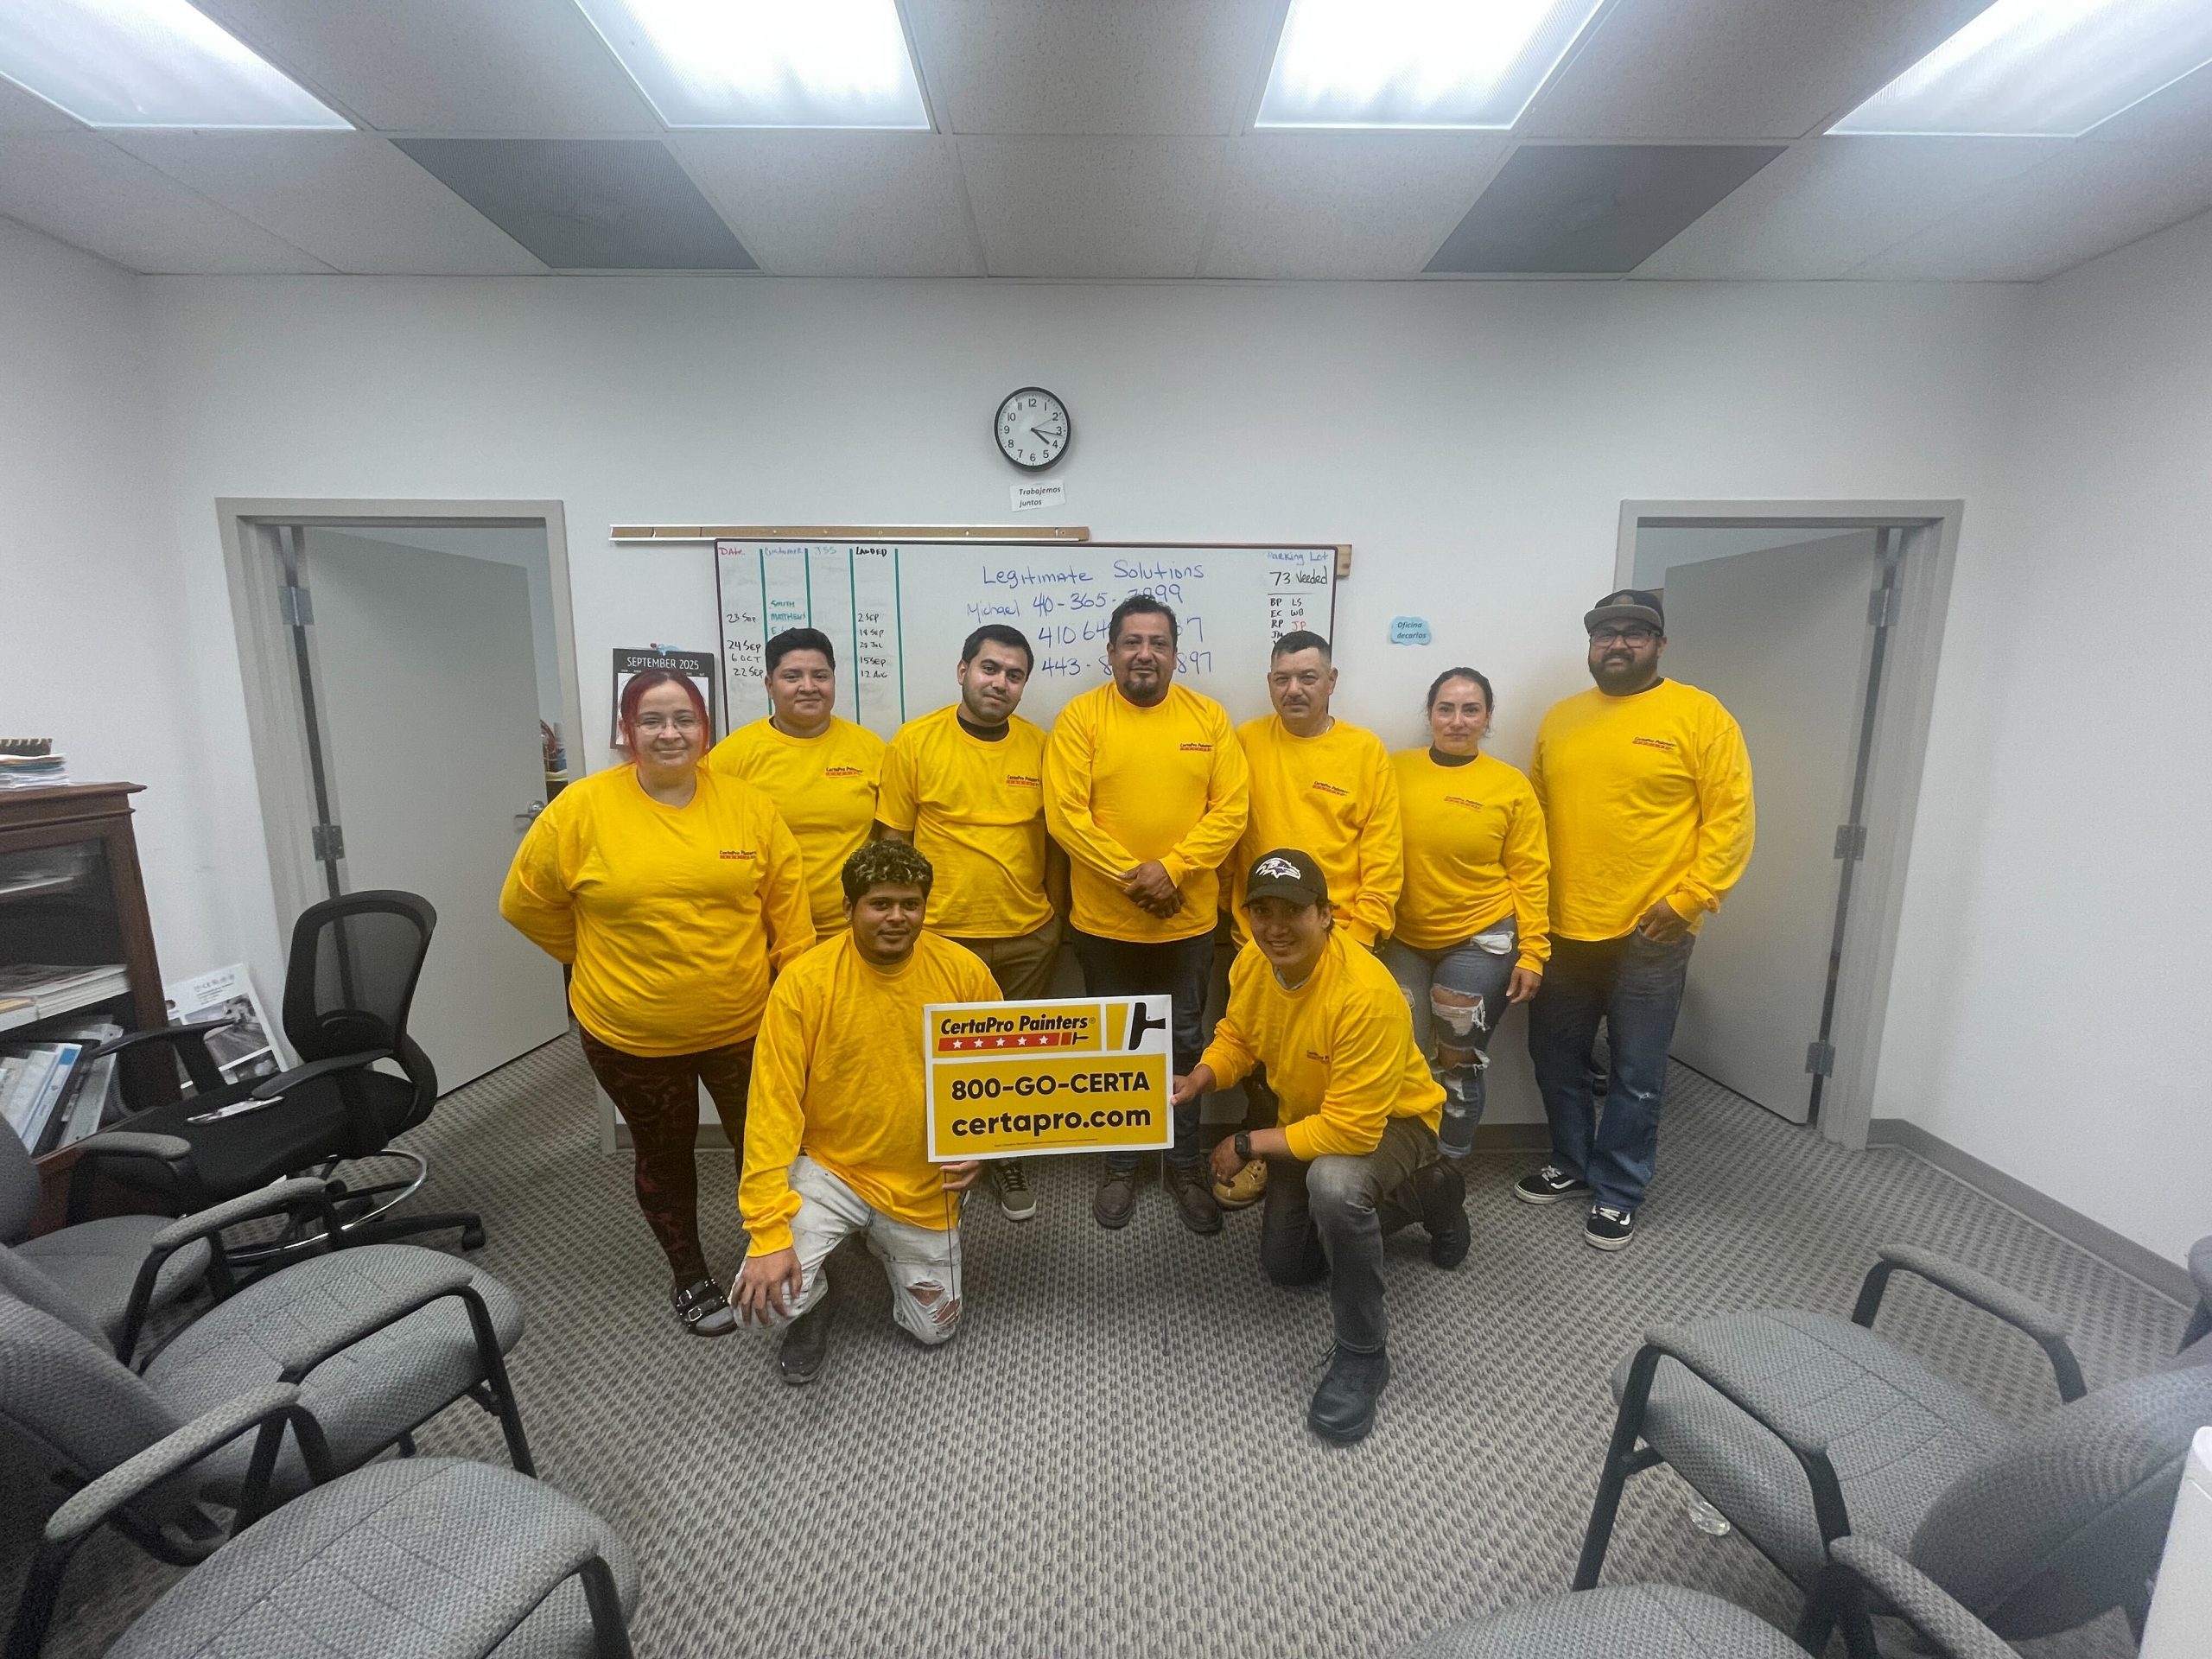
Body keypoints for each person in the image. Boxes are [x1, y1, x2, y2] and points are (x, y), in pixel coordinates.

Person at [500, 668, 813, 1337]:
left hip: (744, 1026)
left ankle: (771, 1249)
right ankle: (690, 1273)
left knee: (766, 1148)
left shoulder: (749, 807)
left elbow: (789, 914)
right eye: (651, 719)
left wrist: (798, 1002)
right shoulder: (581, 809)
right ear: (627, 731)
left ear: (705, 730)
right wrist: (591, 957)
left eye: (684, 719)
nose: (669, 733)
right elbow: (524, 904)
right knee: (664, 1155)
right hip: (631, 1035)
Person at [1176, 849, 1465, 1445]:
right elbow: (1239, 1036)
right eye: (1262, 912)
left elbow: (1352, 1133)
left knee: (1333, 1185)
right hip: (1310, 1120)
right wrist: (1201, 1077)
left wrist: (1247, 1142)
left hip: (1395, 1122)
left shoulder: (1365, 994)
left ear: (1326, 914)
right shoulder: (1254, 962)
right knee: (1290, 1268)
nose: (1275, 927)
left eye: (1293, 911)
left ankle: (1364, 1355)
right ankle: (1428, 1197)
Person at [1519, 589, 1754, 1251]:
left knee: (1636, 1071)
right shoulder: (1561, 719)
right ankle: (1572, 1162)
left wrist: (1689, 900)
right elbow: (1535, 816)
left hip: (1652, 930)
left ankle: (1619, 1188)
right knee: (1555, 1058)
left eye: (1634, 632)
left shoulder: (1701, 716)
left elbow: (1731, 819)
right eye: (1605, 634)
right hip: (1564, 924)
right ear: (1591, 645)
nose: (1618, 644)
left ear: (1659, 644)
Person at [732, 840, 995, 1384]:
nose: (897, 917)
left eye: (910, 904)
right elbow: (771, 1110)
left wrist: (984, 1149)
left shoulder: (964, 973)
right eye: (880, 904)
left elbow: (1002, 1076)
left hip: (923, 1179)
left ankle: (880, 1239)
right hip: (832, 1169)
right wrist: (767, 1235)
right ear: (849, 908)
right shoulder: (804, 982)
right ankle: (818, 1298)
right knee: (760, 1308)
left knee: (935, 1330)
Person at [1044, 594, 1249, 1235]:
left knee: (1185, 1044)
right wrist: (1136, 877)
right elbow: (1066, 816)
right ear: (1110, 652)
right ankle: (1121, 1165)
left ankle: (1184, 1167)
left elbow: (1232, 811)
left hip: (1187, 925)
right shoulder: (1081, 718)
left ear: (1175, 653)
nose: (1144, 654)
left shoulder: (1208, 718)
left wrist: (1174, 869)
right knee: (1118, 1047)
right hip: (1105, 926)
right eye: (1132, 642)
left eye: (1158, 642)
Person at [877, 623, 1066, 1222]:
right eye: (989, 668)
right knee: (930, 1058)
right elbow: (892, 844)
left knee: (1010, 1058)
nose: (1000, 682)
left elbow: (1056, 843)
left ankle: (1003, 1156)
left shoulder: (1042, 748)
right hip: (939, 937)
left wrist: (1055, 919)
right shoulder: (914, 742)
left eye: (1014, 675)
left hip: (1025, 935)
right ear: (963, 671)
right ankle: (931, 1163)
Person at [1217, 630, 1402, 1209]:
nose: (1294, 689)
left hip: (1340, 942)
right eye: (1282, 678)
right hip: (1259, 938)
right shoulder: (1244, 742)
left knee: (1331, 1069)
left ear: (1331, 681)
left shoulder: (1364, 751)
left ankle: (1330, 1165)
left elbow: (1384, 854)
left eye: (1307, 677)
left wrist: (1358, 940)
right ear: (1269, 683)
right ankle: (1267, 1159)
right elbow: (1224, 832)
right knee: (1265, 1061)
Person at [1384, 667, 1549, 1160]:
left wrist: (1534, 952)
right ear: (1430, 714)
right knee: (1403, 1056)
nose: (1457, 720)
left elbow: (1531, 873)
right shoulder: (1392, 769)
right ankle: (1407, 1162)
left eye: (1471, 709)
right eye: (1446, 708)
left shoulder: (1510, 786)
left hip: (1480, 939)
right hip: (1403, 937)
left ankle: (1448, 1166)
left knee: (1456, 1060)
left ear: (1487, 717)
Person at [708, 627, 886, 938]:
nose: (808, 687)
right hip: (765, 935)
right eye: (792, 677)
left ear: (833, 681)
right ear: (770, 685)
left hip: (853, 932)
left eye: (820, 676)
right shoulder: (730, 757)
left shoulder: (872, 750)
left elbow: (891, 838)